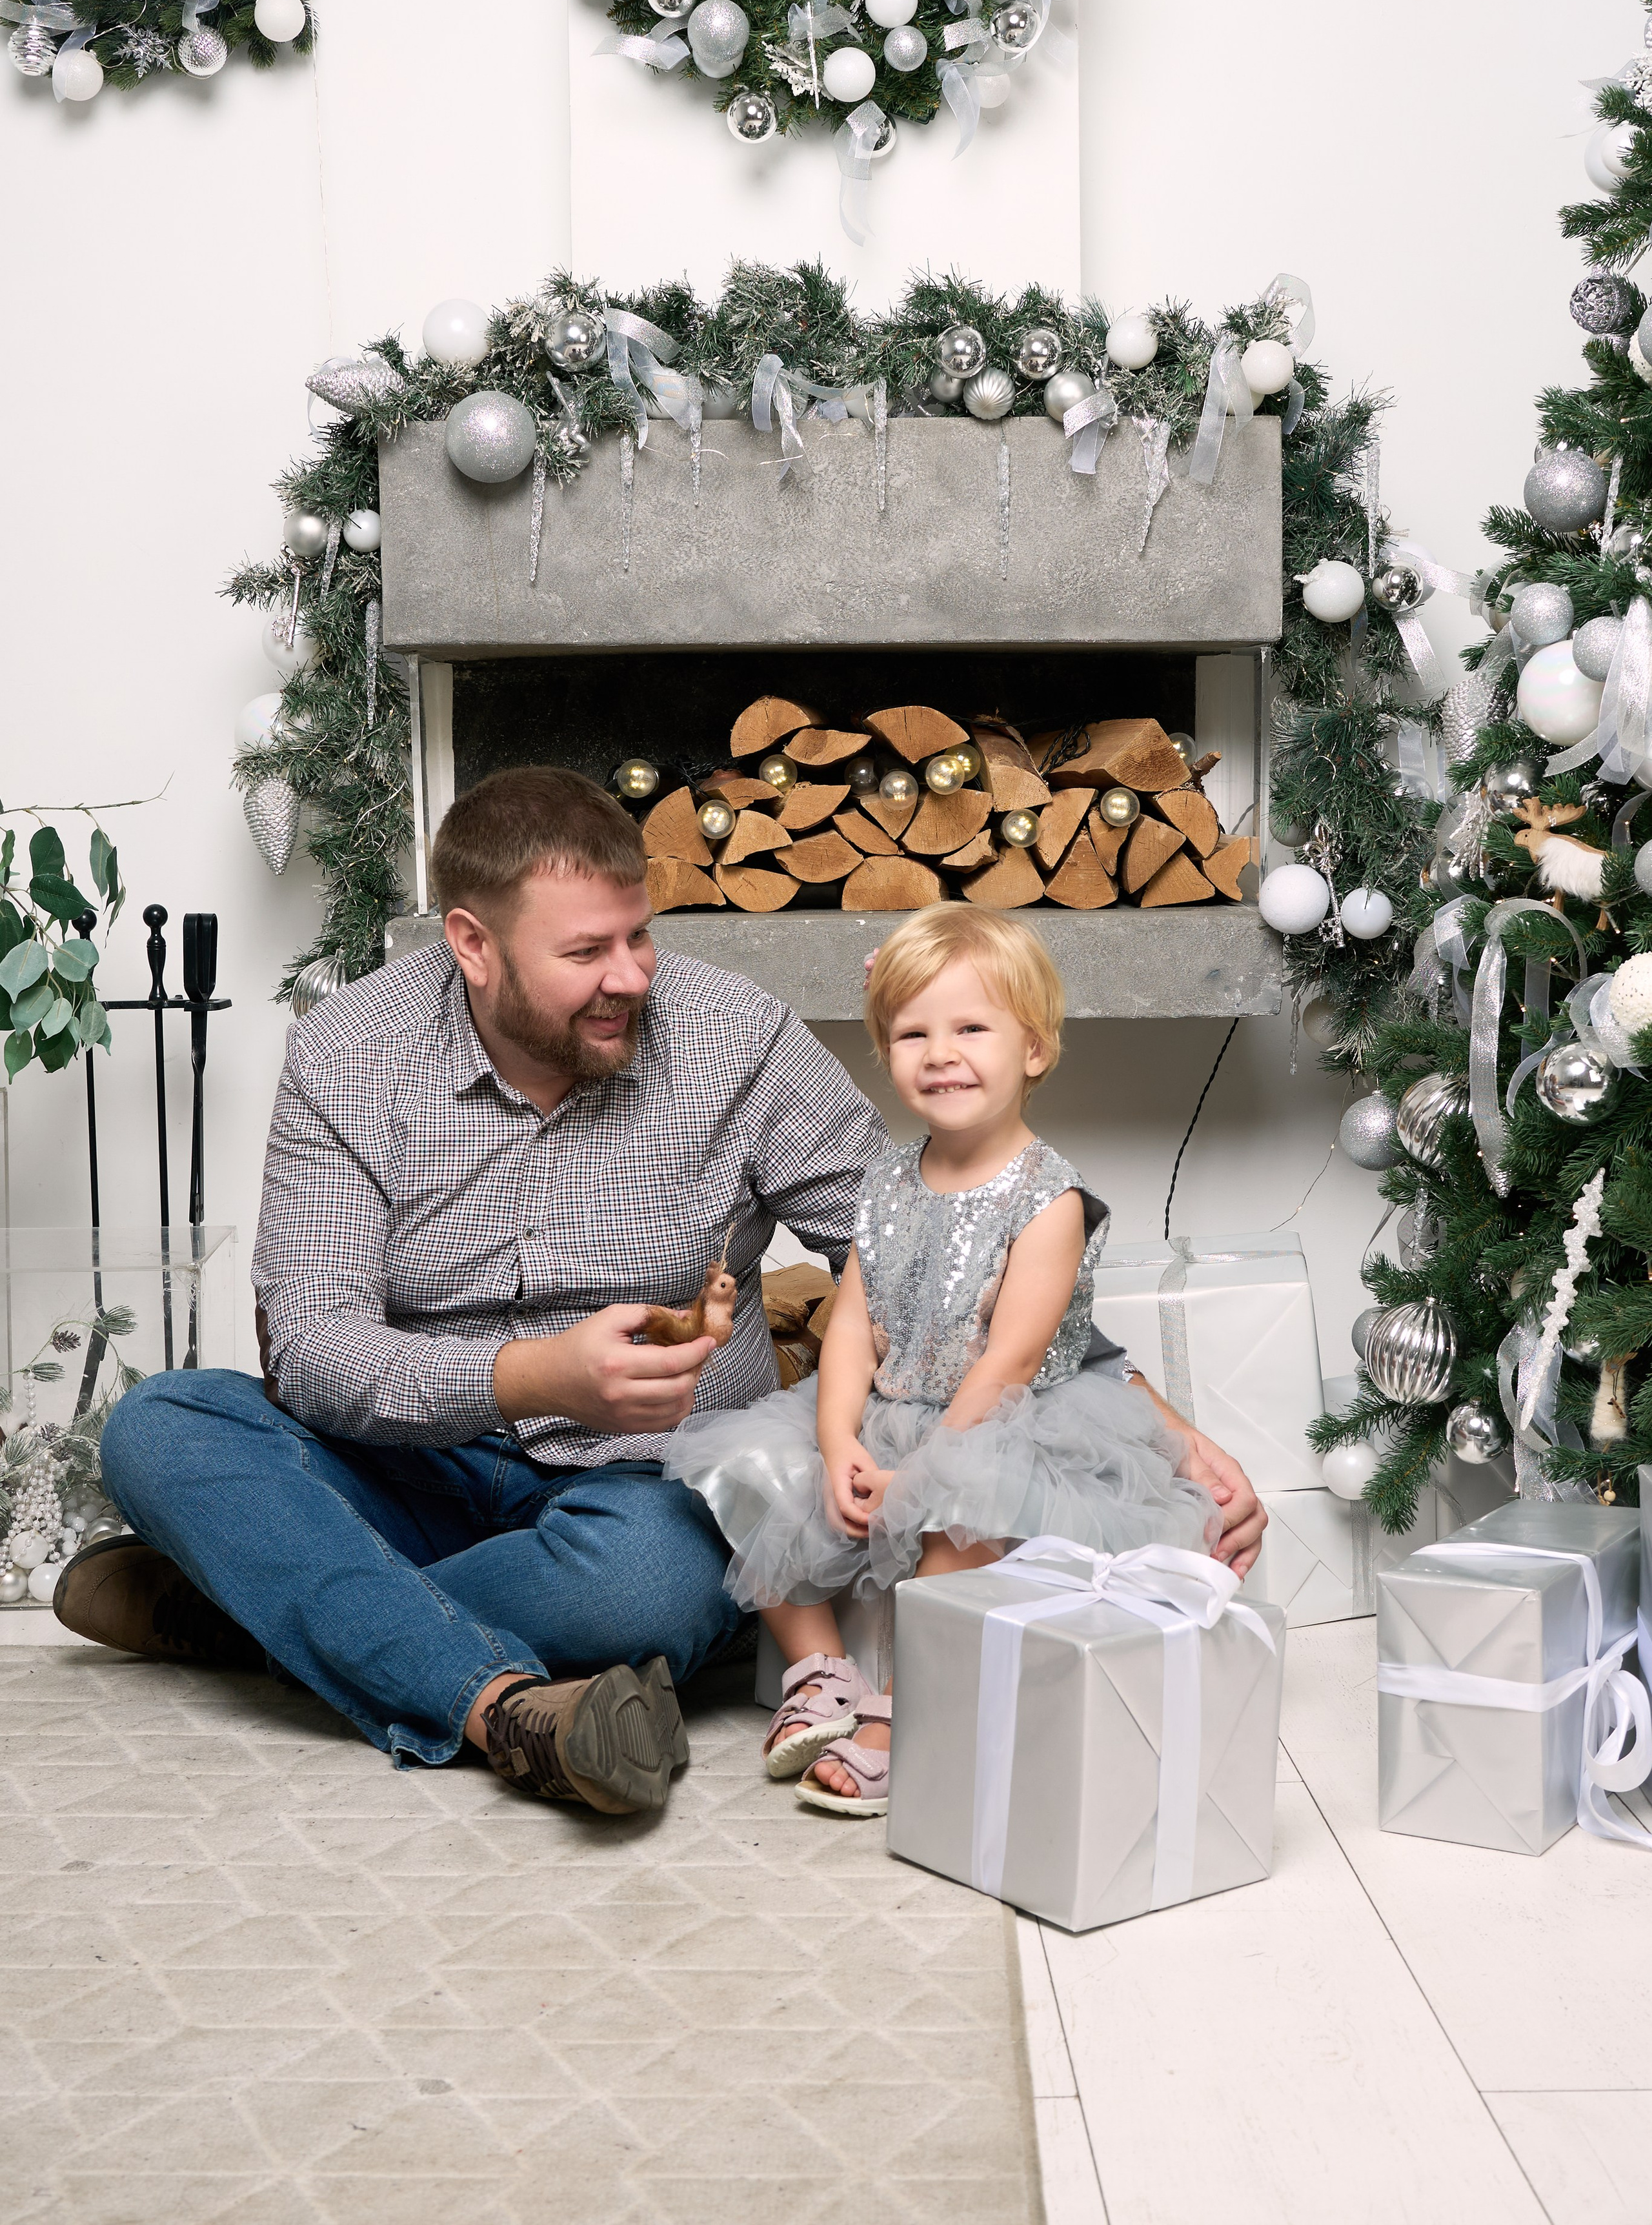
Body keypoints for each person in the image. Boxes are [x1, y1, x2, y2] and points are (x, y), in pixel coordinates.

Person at [59, 766, 891, 1818]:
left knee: (643, 1587)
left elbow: (908, 1236)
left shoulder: (738, 1038)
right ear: (472, 944)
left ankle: (265, 1606)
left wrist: (1113, 1378)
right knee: (159, 1426)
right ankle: (502, 1703)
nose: (632, 974)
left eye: (638, 934)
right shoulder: (349, 1052)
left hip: (640, 1484)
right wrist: (532, 1376)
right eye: (586, 952)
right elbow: (313, 1350)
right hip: (407, 1465)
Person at [666, 904, 1268, 1816]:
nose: (939, 1052)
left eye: (971, 1027)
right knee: (751, 1464)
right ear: (887, 1052)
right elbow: (850, 1333)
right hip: (892, 1406)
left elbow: (1013, 1359)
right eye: (912, 1033)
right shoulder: (883, 1185)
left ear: (1034, 1048)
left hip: (1001, 1420)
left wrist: (922, 1469)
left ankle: (907, 1707)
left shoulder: (1048, 1195)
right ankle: (821, 1669)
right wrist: (838, 1444)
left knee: (961, 1507)